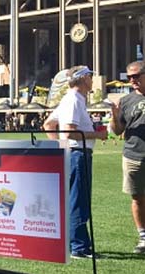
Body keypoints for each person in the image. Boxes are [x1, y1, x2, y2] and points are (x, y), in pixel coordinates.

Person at [42, 66, 106, 258]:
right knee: (78, 200)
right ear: (83, 78)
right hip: (78, 153)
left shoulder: (70, 99)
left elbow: (48, 124)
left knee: (75, 199)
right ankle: (79, 246)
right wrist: (98, 134)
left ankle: (78, 244)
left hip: (74, 153)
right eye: (90, 76)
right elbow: (70, 131)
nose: (92, 79)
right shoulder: (74, 100)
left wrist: (60, 147)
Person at [110, 60, 145, 255]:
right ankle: (143, 237)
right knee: (138, 197)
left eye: (136, 76)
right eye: (129, 77)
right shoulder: (126, 101)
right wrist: (114, 115)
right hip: (134, 155)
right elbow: (116, 131)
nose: (132, 80)